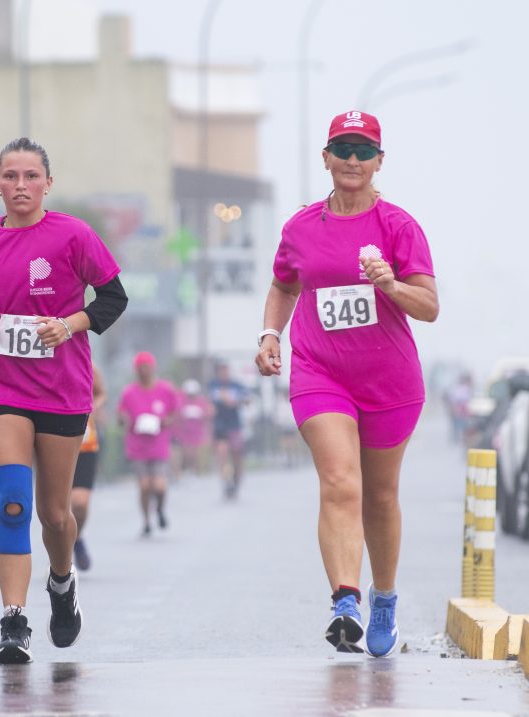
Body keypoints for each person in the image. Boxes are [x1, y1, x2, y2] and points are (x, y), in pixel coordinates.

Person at [255, 110, 438, 657]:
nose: (353, 160)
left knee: (379, 497)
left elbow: (428, 306)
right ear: (326, 157)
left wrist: (390, 283)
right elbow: (283, 285)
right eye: (343, 149)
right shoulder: (301, 227)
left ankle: (383, 598)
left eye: (364, 151)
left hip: (389, 380)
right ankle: (345, 601)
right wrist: (271, 334)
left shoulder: (398, 226)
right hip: (320, 372)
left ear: (380, 161)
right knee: (339, 481)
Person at [0, 137, 127, 665]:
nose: (20, 186)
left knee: (54, 513)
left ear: (48, 182)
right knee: (12, 503)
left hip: (60, 390)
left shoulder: (73, 235)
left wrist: (70, 324)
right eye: (9, 176)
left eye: (30, 176)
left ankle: (62, 581)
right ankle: (13, 620)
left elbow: (114, 296)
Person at [117, 352, 178, 536]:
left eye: (147, 367)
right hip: (137, 445)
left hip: (158, 445)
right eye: (140, 367)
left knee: (159, 485)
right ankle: (146, 520)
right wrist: (124, 419)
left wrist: (166, 421)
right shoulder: (129, 392)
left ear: (153, 368)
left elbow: (174, 412)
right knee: (144, 486)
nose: (144, 371)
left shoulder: (165, 390)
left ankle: (159, 509)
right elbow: (121, 415)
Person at [72, 363, 106, 572]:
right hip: (50, 439)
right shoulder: (40, 353)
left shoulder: (88, 364)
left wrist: (92, 408)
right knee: (56, 508)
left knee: (80, 503)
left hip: (85, 442)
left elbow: (101, 393)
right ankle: (61, 553)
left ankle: (74, 539)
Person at [208, 362, 249, 499]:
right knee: (222, 453)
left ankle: (236, 480)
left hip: (234, 425)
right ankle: (226, 480)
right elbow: (210, 402)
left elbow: (246, 399)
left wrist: (237, 401)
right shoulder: (213, 385)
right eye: (222, 371)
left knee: (236, 454)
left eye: (226, 371)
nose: (224, 374)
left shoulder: (236, 385)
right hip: (220, 425)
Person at [172, 379, 213, 479]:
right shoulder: (180, 400)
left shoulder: (201, 402)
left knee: (195, 453)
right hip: (183, 433)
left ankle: (195, 470)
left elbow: (208, 413)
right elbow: (176, 414)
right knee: (184, 453)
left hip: (197, 434)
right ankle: (182, 471)